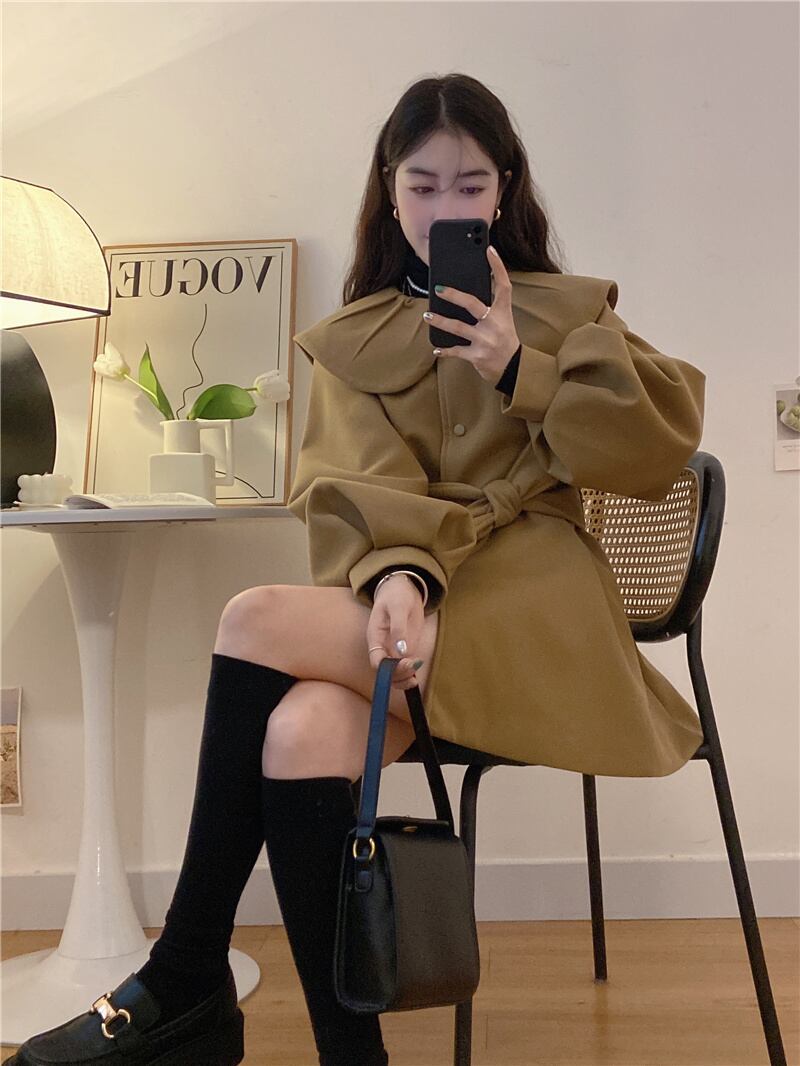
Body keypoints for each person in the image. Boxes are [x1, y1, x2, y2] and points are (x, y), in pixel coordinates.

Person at [9, 73, 705, 1066]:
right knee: (300, 730)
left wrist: (518, 366)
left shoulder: (572, 311)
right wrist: (398, 578)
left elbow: (655, 447)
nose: (445, 207)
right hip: (418, 606)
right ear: (388, 189)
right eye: (423, 185)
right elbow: (355, 487)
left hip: (537, 604)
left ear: (505, 189)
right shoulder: (355, 340)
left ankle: (184, 973)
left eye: (470, 185)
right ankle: (350, 1054)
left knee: (251, 619)